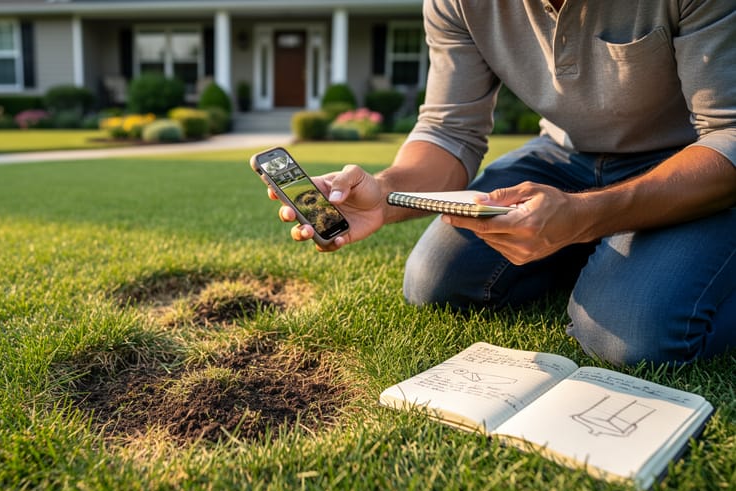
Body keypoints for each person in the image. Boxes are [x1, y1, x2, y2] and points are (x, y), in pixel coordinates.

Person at [270, 0, 736, 366]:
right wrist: (384, 194)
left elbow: (728, 133)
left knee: (629, 332)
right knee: (435, 280)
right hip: (563, 153)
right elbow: (449, 131)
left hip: (689, 159)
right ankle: (602, 254)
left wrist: (586, 217)